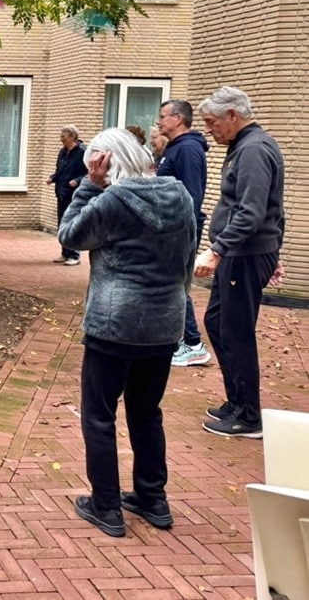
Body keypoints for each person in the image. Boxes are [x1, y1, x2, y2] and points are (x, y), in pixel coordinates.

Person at [59, 128, 196, 537]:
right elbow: (188, 256)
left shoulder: (113, 200)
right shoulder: (179, 195)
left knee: (99, 415)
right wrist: (177, 302)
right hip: (163, 323)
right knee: (146, 411)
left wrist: (88, 186)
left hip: (114, 324)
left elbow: (70, 236)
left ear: (105, 163)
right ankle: (153, 499)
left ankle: (106, 506)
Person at [194, 86, 284, 439]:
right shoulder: (243, 146)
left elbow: (252, 211)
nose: (209, 129)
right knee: (217, 322)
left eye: (212, 122)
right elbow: (275, 208)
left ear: (233, 115)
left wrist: (216, 250)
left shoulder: (254, 149)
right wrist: (274, 251)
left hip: (244, 255)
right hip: (245, 252)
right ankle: (236, 401)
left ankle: (248, 417)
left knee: (237, 332)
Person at [156, 100, 211, 367]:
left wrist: (176, 228)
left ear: (178, 119)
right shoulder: (176, 148)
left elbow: (191, 196)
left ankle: (192, 343)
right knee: (172, 283)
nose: (158, 121)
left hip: (180, 230)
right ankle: (181, 339)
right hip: (171, 228)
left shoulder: (188, 149)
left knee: (178, 285)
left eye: (163, 116)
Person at [45, 125, 87, 266]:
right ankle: (65, 252)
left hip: (75, 194)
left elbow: (88, 173)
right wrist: (52, 178)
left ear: (72, 136)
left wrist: (77, 180)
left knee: (73, 223)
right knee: (62, 223)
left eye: (63, 135)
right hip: (62, 192)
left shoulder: (82, 152)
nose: (61, 138)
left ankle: (74, 255)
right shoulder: (62, 152)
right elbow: (60, 171)